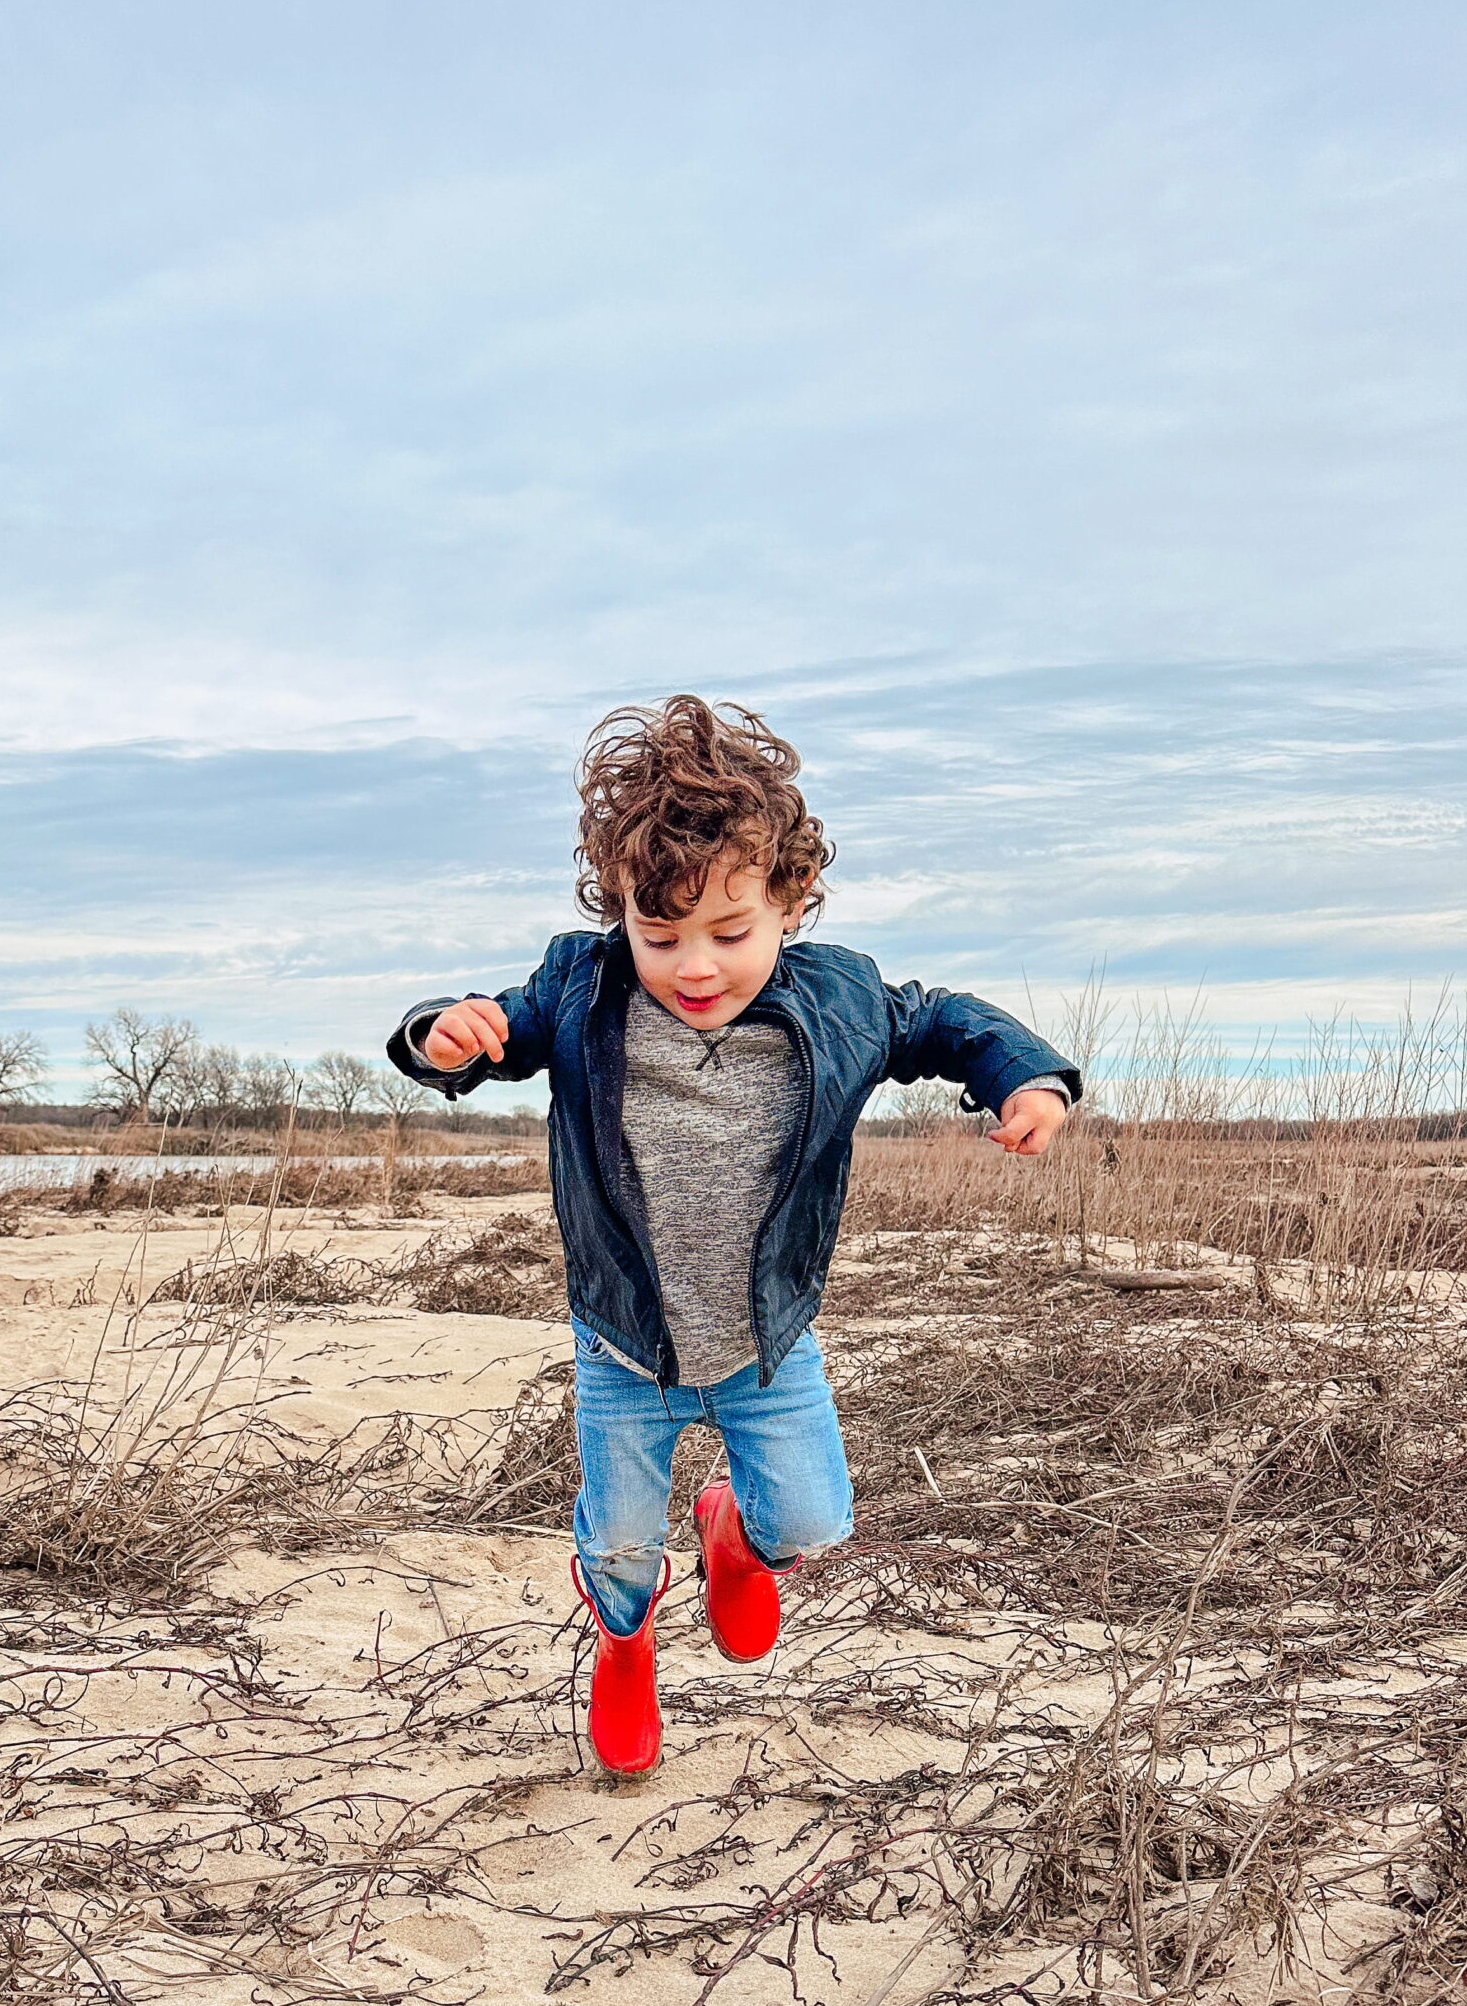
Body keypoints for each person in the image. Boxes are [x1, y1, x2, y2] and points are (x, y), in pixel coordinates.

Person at [386, 695, 1078, 1777]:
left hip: (768, 1342)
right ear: (619, 910)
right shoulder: (582, 984)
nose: (694, 966)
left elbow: (944, 1020)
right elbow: (493, 1030)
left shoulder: (841, 999)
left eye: (729, 932)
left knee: (810, 1521)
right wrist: (447, 1037)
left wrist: (1024, 1078)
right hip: (624, 1346)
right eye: (659, 935)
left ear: (790, 901)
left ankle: (730, 1534)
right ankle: (625, 1644)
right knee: (616, 1548)